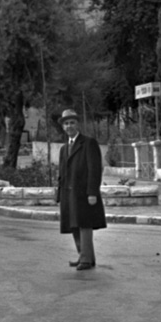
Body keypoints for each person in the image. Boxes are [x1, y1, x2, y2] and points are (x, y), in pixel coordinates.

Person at [56, 108, 107, 270]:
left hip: (83, 193)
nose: (69, 126)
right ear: (63, 127)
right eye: (66, 124)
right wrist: (59, 193)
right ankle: (85, 257)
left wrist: (92, 192)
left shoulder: (88, 143)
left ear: (77, 124)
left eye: (72, 123)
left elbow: (95, 169)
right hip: (68, 193)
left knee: (85, 224)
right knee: (73, 225)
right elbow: (62, 173)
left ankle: (85, 259)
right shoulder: (64, 148)